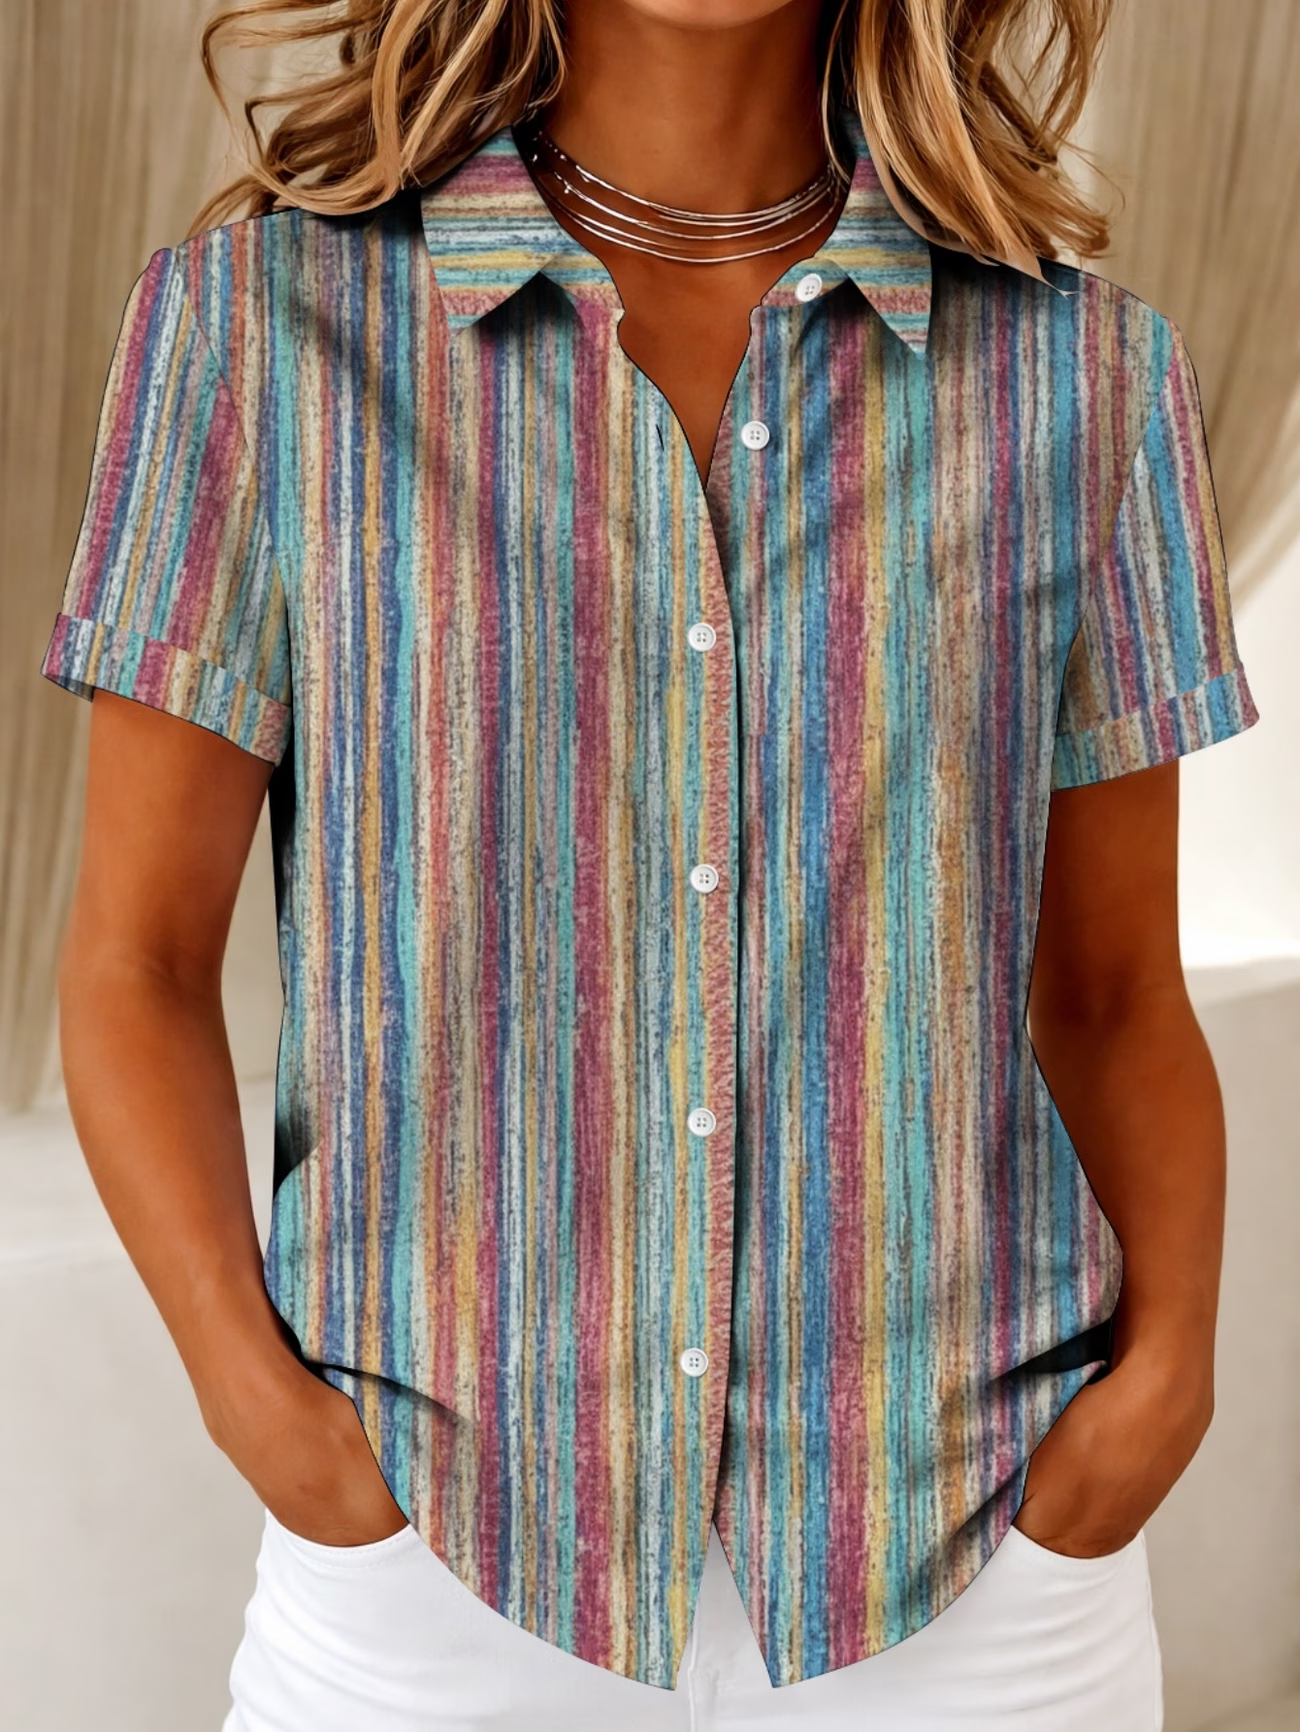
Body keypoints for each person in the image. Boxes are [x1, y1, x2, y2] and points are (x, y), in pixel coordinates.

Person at [40, 0, 1260, 1727]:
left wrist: (1164, 1389)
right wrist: (272, 1419)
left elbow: (1117, 990)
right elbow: (137, 963)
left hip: (976, 1566)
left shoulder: (1084, 377)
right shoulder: (254, 335)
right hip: (435, 1565)